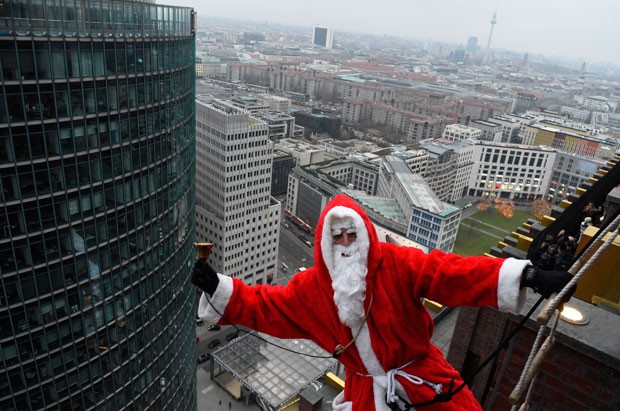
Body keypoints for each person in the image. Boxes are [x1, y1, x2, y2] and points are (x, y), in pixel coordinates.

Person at [193, 194, 573, 411]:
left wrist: (525, 275)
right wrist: (218, 287)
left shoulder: (397, 264)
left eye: (350, 235)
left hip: (421, 378)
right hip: (364, 393)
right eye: (336, 237)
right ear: (324, 244)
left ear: (364, 235)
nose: (345, 244)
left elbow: (450, 272)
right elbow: (266, 305)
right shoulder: (310, 290)